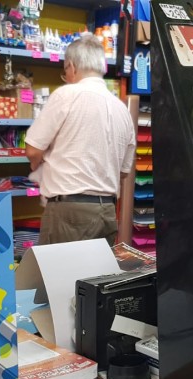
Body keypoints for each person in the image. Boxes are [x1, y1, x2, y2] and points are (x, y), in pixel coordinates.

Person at [25, 34, 136, 246]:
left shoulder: (67, 95)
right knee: (96, 278)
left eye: (65, 71)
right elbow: (123, 172)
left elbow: (32, 150)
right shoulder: (122, 109)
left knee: (59, 276)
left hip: (69, 212)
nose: (66, 76)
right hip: (107, 212)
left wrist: (38, 164)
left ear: (72, 67)